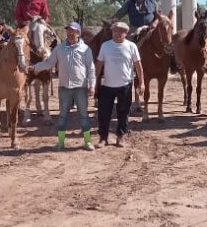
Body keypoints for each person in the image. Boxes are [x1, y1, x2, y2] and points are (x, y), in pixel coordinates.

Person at [29, 22, 96, 151]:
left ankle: (87, 142)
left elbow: (91, 68)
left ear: (78, 33)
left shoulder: (85, 49)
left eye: (73, 31)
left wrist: (92, 85)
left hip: (80, 87)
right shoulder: (59, 49)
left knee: (83, 115)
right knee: (63, 116)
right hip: (64, 87)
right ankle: (61, 143)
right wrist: (35, 67)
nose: (70, 33)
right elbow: (49, 62)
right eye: (68, 31)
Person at [95, 21, 144, 147]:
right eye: (115, 31)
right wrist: (95, 81)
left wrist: (142, 82)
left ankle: (120, 137)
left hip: (125, 85)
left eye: (120, 31)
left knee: (123, 113)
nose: (117, 33)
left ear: (126, 34)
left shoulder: (131, 46)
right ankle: (103, 138)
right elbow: (99, 64)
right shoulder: (105, 46)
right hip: (107, 85)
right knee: (104, 113)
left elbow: (138, 66)